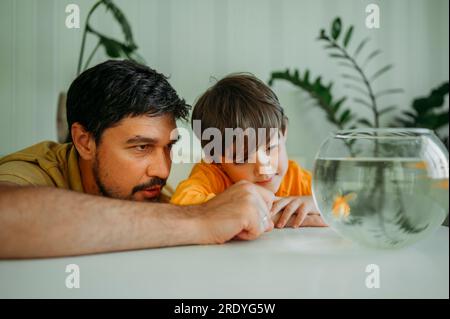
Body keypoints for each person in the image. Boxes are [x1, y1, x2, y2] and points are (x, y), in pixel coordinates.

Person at [0, 61, 275, 259]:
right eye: (142, 147)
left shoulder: (153, 194)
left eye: (169, 147)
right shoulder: (35, 171)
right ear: (84, 141)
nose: (163, 169)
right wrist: (200, 219)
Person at [171, 74, 327, 229]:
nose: (264, 169)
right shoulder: (211, 175)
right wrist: (290, 218)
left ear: (284, 133)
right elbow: (181, 206)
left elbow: (343, 205)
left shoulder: (296, 178)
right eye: (243, 158)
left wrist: (317, 203)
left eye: (270, 148)